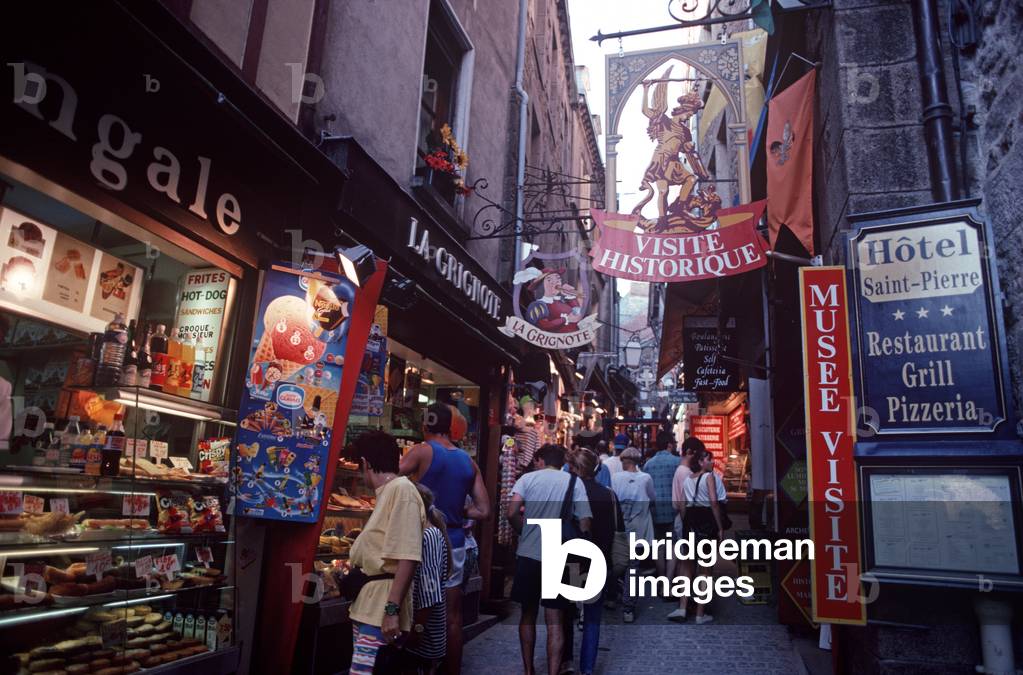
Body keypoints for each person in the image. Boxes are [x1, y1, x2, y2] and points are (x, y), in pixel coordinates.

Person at [400, 403, 490, 674]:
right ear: (450, 427)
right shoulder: (467, 460)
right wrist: (460, 509)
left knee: (417, 607)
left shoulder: (422, 450)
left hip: (423, 539)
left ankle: (412, 663)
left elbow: (390, 477)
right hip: (455, 543)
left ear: (425, 426)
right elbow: (483, 510)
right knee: (452, 615)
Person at [507, 444, 592, 675]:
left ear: (541, 459)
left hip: (529, 553)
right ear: (561, 461)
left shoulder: (527, 480)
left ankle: (528, 670)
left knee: (527, 613)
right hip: (560, 555)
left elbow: (511, 512)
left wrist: (523, 532)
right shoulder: (574, 482)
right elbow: (585, 521)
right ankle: (553, 672)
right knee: (555, 618)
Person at [348, 431, 426, 674]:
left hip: (380, 611)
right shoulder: (390, 492)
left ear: (366, 463)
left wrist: (391, 612)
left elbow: (408, 556)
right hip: (370, 607)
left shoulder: (401, 490)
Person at [565, 447, 621, 675]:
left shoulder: (569, 493)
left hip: (573, 558)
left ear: (576, 468)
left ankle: (566, 661)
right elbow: (619, 529)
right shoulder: (608, 494)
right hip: (601, 557)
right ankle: (587, 668)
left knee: (567, 612)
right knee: (593, 617)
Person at [402, 484, 452, 674]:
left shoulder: (428, 535)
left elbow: (429, 590)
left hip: (424, 636)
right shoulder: (423, 533)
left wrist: (417, 630)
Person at [676, 447, 727, 624]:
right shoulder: (709, 477)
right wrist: (719, 527)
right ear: (699, 462)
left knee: (687, 566)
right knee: (705, 570)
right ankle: (700, 613)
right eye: (708, 459)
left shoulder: (688, 479)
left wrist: (687, 522)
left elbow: (682, 505)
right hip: (706, 522)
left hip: (690, 521)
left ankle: (682, 608)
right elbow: (714, 502)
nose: (711, 462)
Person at [610, 447, 654, 623]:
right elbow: (653, 498)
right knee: (633, 567)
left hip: (619, 529)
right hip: (639, 529)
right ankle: (628, 608)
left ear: (624, 462)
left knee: (616, 563)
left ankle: (612, 597)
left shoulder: (615, 478)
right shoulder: (646, 479)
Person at [667, 437, 702, 621]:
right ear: (691, 452)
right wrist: (689, 523)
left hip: (681, 520)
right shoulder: (685, 472)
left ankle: (684, 601)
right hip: (685, 519)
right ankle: (686, 601)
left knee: (684, 561)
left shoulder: (681, 470)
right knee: (687, 563)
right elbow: (682, 504)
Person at [641, 432, 679, 578]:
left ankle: (661, 578)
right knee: (672, 547)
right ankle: (668, 582)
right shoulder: (677, 462)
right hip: (673, 511)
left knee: (659, 547)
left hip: (655, 511)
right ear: (669, 444)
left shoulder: (648, 464)